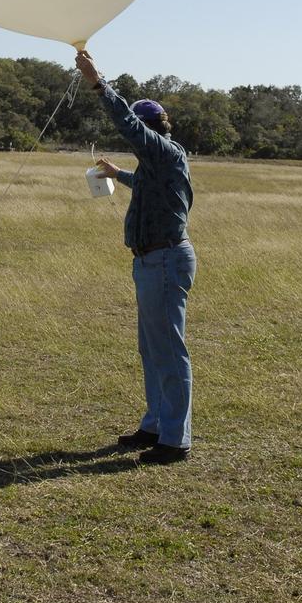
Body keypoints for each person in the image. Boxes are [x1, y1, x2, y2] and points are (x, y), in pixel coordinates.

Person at [75, 48, 196, 465]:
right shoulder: (156, 164)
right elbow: (147, 186)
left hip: (164, 261)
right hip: (150, 261)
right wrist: (117, 175)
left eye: (140, 133)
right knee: (152, 348)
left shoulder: (164, 151)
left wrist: (97, 82)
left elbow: (126, 123)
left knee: (169, 349)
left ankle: (175, 440)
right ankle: (155, 425)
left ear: (150, 130)